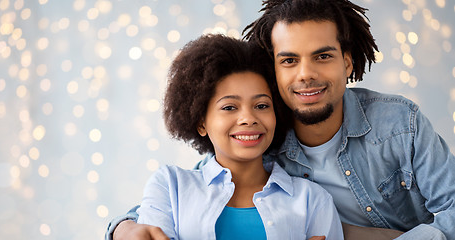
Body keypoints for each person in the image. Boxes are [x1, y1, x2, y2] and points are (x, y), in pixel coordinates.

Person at [106, 0, 455, 239]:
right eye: (289, 60)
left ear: (347, 63)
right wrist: (124, 227)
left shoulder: (399, 124)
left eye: (322, 56)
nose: (306, 74)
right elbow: (185, 189)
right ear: (273, 69)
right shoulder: (262, 138)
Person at [126, 34, 344, 240]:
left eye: (261, 105)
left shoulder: (312, 200)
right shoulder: (170, 186)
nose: (248, 118)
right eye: (230, 107)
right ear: (201, 122)